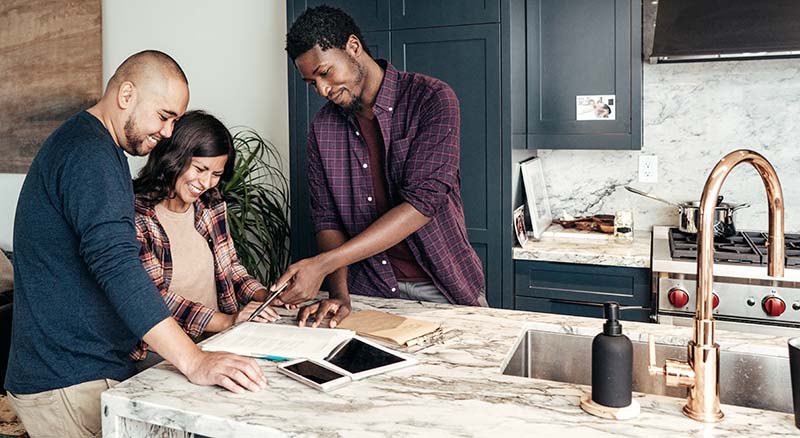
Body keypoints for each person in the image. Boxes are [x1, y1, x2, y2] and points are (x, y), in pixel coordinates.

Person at [4, 50, 266, 438]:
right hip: (69, 380)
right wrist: (194, 360)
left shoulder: (90, 147)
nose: (167, 132)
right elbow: (118, 266)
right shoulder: (89, 154)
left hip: (80, 372)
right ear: (126, 95)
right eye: (164, 116)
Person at [276, 6, 486, 329]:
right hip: (369, 294)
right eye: (311, 83)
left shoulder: (432, 100)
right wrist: (339, 293)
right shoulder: (322, 129)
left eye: (325, 73)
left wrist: (322, 265)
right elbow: (328, 220)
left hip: (445, 289)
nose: (322, 90)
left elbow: (421, 205)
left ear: (353, 48)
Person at [130, 110, 280, 368]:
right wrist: (228, 320)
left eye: (216, 174)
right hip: (163, 356)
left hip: (217, 343)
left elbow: (231, 266)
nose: (206, 182)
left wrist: (263, 295)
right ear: (173, 157)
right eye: (200, 169)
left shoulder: (210, 205)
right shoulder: (136, 215)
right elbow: (154, 299)